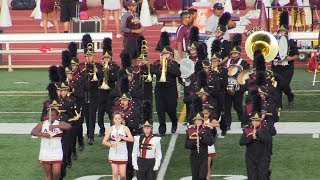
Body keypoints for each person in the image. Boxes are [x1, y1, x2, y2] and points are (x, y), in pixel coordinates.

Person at [31, 107, 72, 180]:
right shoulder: (42, 124)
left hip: (57, 150)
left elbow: (68, 126)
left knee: (57, 172)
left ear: (57, 116)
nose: (50, 117)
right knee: (48, 173)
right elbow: (33, 132)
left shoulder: (60, 123)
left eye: (53, 115)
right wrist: (43, 134)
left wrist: (56, 126)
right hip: (45, 150)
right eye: (49, 115)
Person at [271, 11, 298, 109]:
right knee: (277, 86)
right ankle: (278, 105)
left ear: (287, 32)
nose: (282, 33)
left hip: (287, 67)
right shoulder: (273, 42)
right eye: (280, 31)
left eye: (284, 31)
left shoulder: (291, 42)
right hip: (276, 66)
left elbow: (296, 55)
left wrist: (290, 58)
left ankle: (290, 96)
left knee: (284, 84)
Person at [152, 46, 181, 136]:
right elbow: (153, 71)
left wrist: (166, 67)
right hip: (160, 90)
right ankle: (162, 129)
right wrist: (161, 68)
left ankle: (174, 122)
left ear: (171, 55)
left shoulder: (174, 64)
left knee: (171, 109)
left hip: (171, 90)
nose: (165, 55)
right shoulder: (157, 63)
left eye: (167, 54)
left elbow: (177, 73)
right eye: (163, 54)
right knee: (160, 110)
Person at [221, 46, 249, 136]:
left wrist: (243, 88)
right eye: (233, 53)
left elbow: (247, 75)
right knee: (227, 107)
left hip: (238, 88)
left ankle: (243, 121)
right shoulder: (227, 62)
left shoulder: (244, 63)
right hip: (228, 87)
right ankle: (228, 123)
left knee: (238, 106)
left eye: (236, 53)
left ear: (239, 54)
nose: (234, 55)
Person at [132, 101, 162, 180]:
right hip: (140, 162)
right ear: (142, 128)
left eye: (148, 128)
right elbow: (134, 152)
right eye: (145, 127)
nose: (147, 129)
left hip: (151, 162)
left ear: (151, 128)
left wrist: (157, 164)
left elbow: (158, 154)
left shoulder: (156, 139)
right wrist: (135, 163)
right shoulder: (137, 138)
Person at [239, 110, 272, 180]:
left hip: (262, 157)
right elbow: (241, 142)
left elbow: (268, 140)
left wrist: (257, 134)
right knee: (252, 177)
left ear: (260, 121)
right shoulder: (247, 129)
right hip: (250, 158)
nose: (255, 122)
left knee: (262, 177)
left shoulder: (265, 129)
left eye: (257, 121)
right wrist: (250, 137)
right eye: (253, 120)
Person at [97, 38, 119, 137]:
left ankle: (113, 129)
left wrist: (108, 72)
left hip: (110, 92)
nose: (106, 59)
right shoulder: (99, 67)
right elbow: (97, 77)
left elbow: (115, 78)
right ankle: (102, 129)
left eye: (108, 58)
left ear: (111, 58)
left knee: (111, 112)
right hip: (101, 92)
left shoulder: (115, 67)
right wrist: (102, 71)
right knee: (100, 113)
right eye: (104, 58)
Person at [102, 112, 134, 180]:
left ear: (121, 119)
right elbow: (104, 141)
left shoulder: (125, 128)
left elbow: (131, 139)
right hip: (113, 154)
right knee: (115, 173)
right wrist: (110, 144)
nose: (117, 120)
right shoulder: (110, 129)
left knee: (122, 175)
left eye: (119, 118)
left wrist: (122, 137)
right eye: (115, 119)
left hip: (123, 153)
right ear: (113, 120)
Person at [185, 113, 215, 180]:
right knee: (195, 177)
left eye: (200, 120)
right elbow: (186, 145)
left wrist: (201, 137)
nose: (198, 121)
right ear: (194, 121)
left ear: (202, 121)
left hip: (203, 156)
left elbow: (211, 142)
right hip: (194, 157)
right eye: (196, 120)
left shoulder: (207, 130)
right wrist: (194, 142)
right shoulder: (190, 130)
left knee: (202, 176)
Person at [202, 105, 219, 180]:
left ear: (209, 114)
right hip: (200, 145)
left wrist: (208, 124)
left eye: (206, 113)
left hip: (209, 145)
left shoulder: (211, 120)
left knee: (207, 166)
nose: (205, 115)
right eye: (204, 113)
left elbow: (218, 124)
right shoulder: (198, 120)